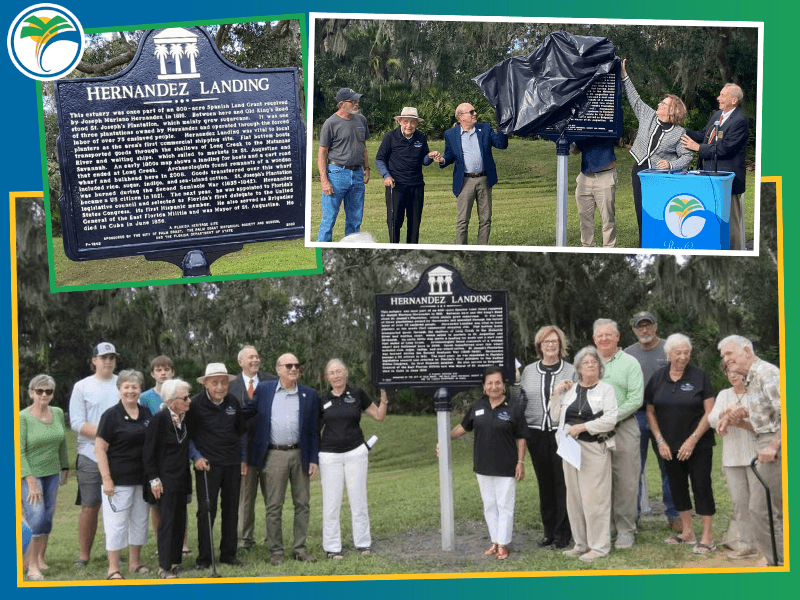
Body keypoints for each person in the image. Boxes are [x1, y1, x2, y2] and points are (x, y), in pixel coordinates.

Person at [244, 353, 320, 565]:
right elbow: (247, 414)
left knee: (302, 503)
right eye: (288, 365)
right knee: (274, 505)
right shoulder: (265, 390)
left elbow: (314, 430)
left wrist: (314, 459)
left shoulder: (309, 394)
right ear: (278, 369)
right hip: (274, 455)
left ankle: (300, 548)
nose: (294, 369)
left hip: (300, 455)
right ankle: (276, 551)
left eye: (296, 365)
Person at [645, 334, 716, 555]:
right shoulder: (657, 378)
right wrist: (659, 440)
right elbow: (650, 411)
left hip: (698, 444)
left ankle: (706, 536)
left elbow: (710, 411)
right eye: (678, 353)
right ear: (669, 354)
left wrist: (693, 440)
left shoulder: (700, 377)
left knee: (701, 486)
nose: (683, 357)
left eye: (686, 352)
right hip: (668, 446)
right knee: (677, 486)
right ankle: (687, 532)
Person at [449, 366, 527, 561]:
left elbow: (521, 438)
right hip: (483, 466)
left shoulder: (514, 407)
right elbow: (463, 427)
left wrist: (520, 461)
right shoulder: (478, 406)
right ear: (484, 387)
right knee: (489, 505)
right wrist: (444, 437)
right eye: (490, 383)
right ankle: (494, 541)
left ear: (503, 386)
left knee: (505, 505)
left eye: (497, 383)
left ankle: (503, 544)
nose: (494, 387)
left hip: (506, 466)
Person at [718, 335, 783, 567]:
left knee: (761, 509)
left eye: (729, 354)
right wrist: (737, 419)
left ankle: (778, 562)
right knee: (771, 507)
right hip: (763, 442)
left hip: (775, 446)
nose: (726, 360)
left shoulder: (767, 374)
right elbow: (762, 423)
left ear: (746, 350)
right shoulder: (752, 379)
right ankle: (778, 558)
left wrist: (773, 446)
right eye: (723, 356)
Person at [551, 346, 618, 563]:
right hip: (570, 449)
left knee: (595, 499)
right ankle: (580, 544)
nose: (590, 365)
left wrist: (583, 427)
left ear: (600, 367)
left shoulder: (606, 390)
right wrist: (555, 394)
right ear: (578, 368)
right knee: (575, 499)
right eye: (585, 362)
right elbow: (555, 417)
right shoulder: (570, 391)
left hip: (593, 449)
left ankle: (598, 547)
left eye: (594, 362)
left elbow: (610, 419)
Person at [318, 359, 388, 558]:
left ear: (346, 372)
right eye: (332, 372)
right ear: (327, 377)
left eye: (339, 371)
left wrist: (384, 400)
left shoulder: (357, 394)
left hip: (355, 452)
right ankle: (332, 547)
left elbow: (379, 416)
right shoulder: (321, 400)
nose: (336, 375)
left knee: (358, 499)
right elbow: (314, 430)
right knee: (331, 503)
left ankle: (363, 543)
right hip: (329, 456)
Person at [621, 59, 693, 246]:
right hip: (639, 170)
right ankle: (643, 245)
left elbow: (687, 156)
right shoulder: (648, 115)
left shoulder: (679, 133)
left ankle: (660, 245)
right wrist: (625, 76)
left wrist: (670, 164)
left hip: (659, 177)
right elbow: (635, 100)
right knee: (641, 211)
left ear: (672, 111)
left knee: (658, 212)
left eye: (664, 103)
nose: (659, 104)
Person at [185, 363, 247, 569]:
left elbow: (241, 433)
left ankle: (229, 554)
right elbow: (188, 436)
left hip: (231, 463)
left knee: (231, 509)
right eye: (215, 382)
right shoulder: (194, 404)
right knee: (206, 510)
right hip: (207, 465)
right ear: (206, 384)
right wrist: (197, 458)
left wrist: (243, 459)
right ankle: (205, 558)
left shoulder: (233, 402)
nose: (220, 386)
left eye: (223, 382)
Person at [518, 326, 575, 549]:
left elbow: (578, 399)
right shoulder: (529, 371)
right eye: (546, 342)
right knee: (545, 483)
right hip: (535, 432)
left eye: (554, 342)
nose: (550, 345)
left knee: (562, 483)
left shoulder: (570, 370)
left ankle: (563, 532)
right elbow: (519, 399)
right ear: (539, 346)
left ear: (561, 345)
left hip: (561, 433)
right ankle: (548, 531)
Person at [623, 311, 679, 531]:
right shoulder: (628, 353)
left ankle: (674, 514)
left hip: (664, 416)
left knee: (669, 466)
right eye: (640, 326)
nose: (644, 330)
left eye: (648, 325)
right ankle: (632, 517)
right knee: (633, 468)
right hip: (635, 415)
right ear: (634, 330)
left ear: (655, 327)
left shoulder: (669, 349)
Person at [95, 370, 154, 579]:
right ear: (119, 389)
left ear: (140, 389)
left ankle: (135, 563)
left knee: (139, 521)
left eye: (135, 386)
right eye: (126, 387)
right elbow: (100, 448)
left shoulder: (146, 412)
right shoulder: (111, 415)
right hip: (118, 480)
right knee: (116, 524)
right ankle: (113, 568)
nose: (131, 391)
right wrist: (106, 478)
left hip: (142, 479)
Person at [592, 318, 643, 549]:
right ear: (594, 339)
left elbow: (635, 399)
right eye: (600, 335)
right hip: (593, 432)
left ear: (617, 337)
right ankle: (606, 528)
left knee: (626, 481)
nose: (604, 339)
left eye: (608, 335)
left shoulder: (630, 363)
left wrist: (609, 418)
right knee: (599, 481)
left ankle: (625, 530)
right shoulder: (588, 362)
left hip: (623, 428)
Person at [68, 340, 120, 568]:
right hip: (90, 454)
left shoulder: (124, 383)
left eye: (111, 358)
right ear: (94, 361)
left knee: (119, 505)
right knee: (90, 505)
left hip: (120, 455)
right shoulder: (82, 386)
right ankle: (84, 555)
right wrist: (104, 435)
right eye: (104, 358)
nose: (108, 361)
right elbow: (77, 422)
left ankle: (116, 552)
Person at [681, 84, 749, 250]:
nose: (718, 98)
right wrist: (679, 130)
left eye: (723, 95)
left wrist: (697, 148)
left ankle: (736, 255)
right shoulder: (717, 115)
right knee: (711, 218)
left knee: (731, 222)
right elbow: (703, 136)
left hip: (727, 182)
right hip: (708, 177)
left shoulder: (739, 121)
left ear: (734, 100)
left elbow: (725, 149)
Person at [432, 103, 508, 245]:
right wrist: (442, 159)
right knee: (462, 221)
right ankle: (462, 253)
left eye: (475, 111)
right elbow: (449, 155)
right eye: (471, 111)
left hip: (484, 179)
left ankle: (481, 251)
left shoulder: (485, 128)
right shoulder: (451, 134)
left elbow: (501, 144)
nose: (475, 114)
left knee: (485, 219)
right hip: (464, 181)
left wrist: (502, 126)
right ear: (461, 117)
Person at [20, 374, 69, 581]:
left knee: (47, 518)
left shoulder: (57, 413)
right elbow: (19, 451)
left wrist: (65, 466)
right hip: (29, 474)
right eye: (39, 391)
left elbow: (62, 442)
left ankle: (39, 558)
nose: (43, 394)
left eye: (48, 391)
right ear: (31, 393)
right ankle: (31, 567)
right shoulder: (23, 417)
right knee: (36, 517)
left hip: (52, 473)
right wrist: (30, 481)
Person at [143, 378, 193, 578]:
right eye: (185, 398)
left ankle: (175, 561)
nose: (189, 401)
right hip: (164, 480)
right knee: (168, 522)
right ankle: (163, 566)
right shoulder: (159, 420)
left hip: (181, 477)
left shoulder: (184, 419)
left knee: (180, 520)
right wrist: (153, 479)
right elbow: (148, 453)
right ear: (172, 401)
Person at [708, 363, 759, 560]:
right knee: (740, 503)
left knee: (759, 503)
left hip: (755, 457)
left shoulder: (756, 394)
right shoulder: (723, 395)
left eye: (738, 372)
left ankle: (768, 544)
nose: (733, 376)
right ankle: (747, 545)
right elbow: (712, 420)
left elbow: (763, 422)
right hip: (731, 458)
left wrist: (740, 420)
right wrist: (726, 414)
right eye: (729, 372)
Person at [227, 345, 276, 551]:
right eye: (250, 357)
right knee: (245, 499)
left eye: (257, 356)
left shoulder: (272, 381)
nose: (255, 360)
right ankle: (245, 541)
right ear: (240, 362)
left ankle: (273, 539)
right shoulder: (230, 387)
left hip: (271, 448)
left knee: (273, 498)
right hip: (243, 452)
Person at [375, 107, 439, 244]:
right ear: (399, 122)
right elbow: (380, 159)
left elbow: (424, 160)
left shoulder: (421, 137)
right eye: (405, 121)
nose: (408, 125)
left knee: (414, 223)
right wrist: (386, 176)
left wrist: (430, 156)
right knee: (394, 222)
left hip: (416, 185)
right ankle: (394, 250)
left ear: (417, 123)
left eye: (412, 122)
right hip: (396, 185)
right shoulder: (390, 137)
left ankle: (412, 251)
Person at [317, 87, 370, 242]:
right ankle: (322, 253)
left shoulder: (361, 120)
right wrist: (324, 180)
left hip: (357, 173)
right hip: (337, 173)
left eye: (356, 100)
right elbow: (322, 153)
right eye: (352, 101)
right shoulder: (330, 123)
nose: (356, 103)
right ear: (341, 104)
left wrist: (366, 168)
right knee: (329, 219)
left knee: (355, 220)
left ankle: (351, 251)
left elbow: (363, 146)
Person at [570, 138, 618, 247]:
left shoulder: (608, 124)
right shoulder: (581, 127)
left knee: (607, 218)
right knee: (584, 217)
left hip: (605, 175)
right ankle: (588, 249)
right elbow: (576, 150)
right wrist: (564, 140)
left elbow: (616, 139)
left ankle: (608, 250)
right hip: (585, 176)